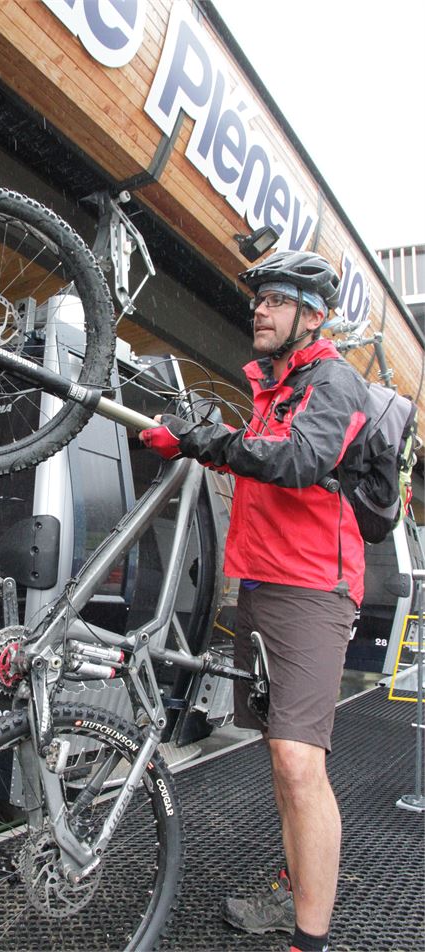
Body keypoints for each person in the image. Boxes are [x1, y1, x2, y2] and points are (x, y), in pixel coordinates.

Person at [140, 250, 369, 952]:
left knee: (301, 761)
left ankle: (311, 938)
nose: (257, 312)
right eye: (258, 301)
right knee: (282, 757)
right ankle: (294, 885)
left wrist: (208, 440)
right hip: (263, 583)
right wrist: (190, 443)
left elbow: (301, 460)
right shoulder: (272, 387)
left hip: (312, 589)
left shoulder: (334, 381)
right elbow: (258, 459)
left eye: (273, 301)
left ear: (311, 314)